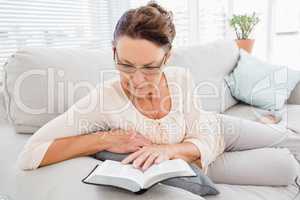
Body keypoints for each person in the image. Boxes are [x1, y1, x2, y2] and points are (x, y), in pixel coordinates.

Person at [18, 2, 299, 186]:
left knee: (286, 138)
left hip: (217, 128)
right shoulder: (105, 99)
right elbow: (30, 153)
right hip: (202, 159)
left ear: (167, 58)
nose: (137, 80)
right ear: (114, 52)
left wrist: (170, 150)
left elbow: (204, 131)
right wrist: (103, 139)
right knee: (285, 165)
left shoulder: (180, 78)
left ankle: (271, 123)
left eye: (150, 68)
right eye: (125, 65)